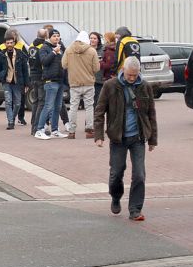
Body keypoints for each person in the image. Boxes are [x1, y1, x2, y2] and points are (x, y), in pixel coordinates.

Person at [94, 56, 157, 221]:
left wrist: (152, 140)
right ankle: (115, 196)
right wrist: (99, 135)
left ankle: (135, 209)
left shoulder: (144, 87)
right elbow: (100, 111)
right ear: (123, 70)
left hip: (138, 137)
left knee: (139, 175)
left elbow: (151, 113)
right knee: (116, 173)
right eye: (129, 74)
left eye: (135, 75)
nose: (131, 78)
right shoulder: (110, 86)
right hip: (118, 138)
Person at [62, 31, 100, 139]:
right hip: (88, 82)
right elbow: (97, 68)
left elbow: (63, 65)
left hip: (74, 83)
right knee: (89, 106)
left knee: (73, 107)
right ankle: (89, 129)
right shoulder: (92, 51)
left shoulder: (69, 49)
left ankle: (72, 131)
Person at [0, 31, 29, 130]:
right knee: (8, 102)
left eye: (11, 42)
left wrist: (27, 83)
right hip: (7, 82)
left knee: (18, 103)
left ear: (14, 43)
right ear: (5, 44)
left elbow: (25, 70)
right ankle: (10, 122)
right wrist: (1, 77)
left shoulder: (21, 54)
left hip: (18, 82)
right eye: (8, 43)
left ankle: (13, 117)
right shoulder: (1, 55)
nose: (9, 44)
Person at [37, 29, 67, 139]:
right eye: (54, 36)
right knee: (48, 106)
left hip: (60, 81)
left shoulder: (61, 47)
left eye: (58, 36)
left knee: (57, 107)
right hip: (50, 81)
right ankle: (39, 129)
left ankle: (55, 130)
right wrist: (54, 52)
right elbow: (44, 61)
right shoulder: (44, 48)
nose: (56, 38)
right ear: (48, 37)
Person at [27, 28, 49, 136]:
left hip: (33, 76)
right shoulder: (43, 47)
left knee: (35, 102)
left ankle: (33, 126)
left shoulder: (32, 45)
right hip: (41, 77)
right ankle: (37, 127)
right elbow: (43, 63)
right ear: (45, 36)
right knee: (42, 103)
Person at [90, 32, 105, 104]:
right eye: (91, 38)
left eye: (94, 38)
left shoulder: (103, 50)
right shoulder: (86, 49)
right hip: (89, 79)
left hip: (99, 79)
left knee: (99, 100)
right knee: (91, 102)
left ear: (98, 40)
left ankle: (98, 115)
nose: (92, 40)